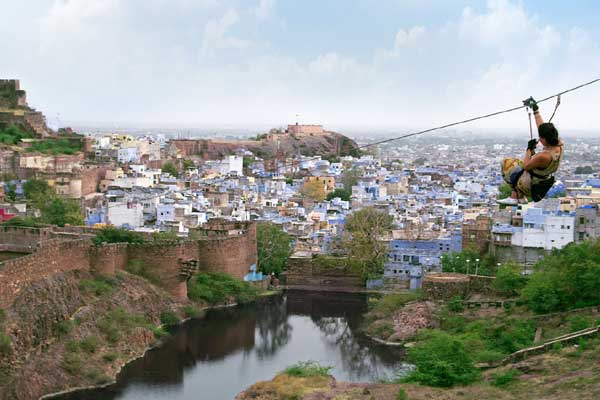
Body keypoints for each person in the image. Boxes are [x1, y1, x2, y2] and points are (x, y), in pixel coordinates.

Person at [498, 97, 564, 206]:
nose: (540, 140)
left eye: (541, 138)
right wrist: (535, 110)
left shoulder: (544, 156)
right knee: (517, 165)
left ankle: (515, 197)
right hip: (542, 180)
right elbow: (542, 128)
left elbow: (526, 166)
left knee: (507, 164)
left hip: (532, 185)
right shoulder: (559, 144)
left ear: (544, 139)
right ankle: (520, 197)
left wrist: (529, 150)